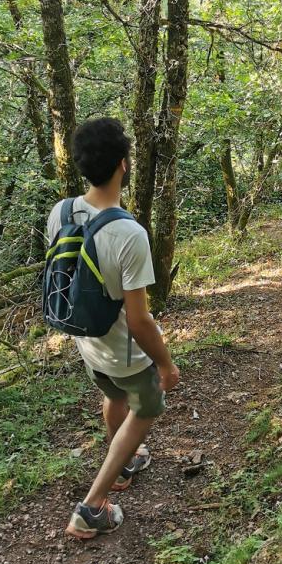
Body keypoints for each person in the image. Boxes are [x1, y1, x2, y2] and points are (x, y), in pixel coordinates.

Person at [46, 117, 179, 539]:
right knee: (147, 407)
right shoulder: (128, 233)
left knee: (112, 394)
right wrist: (166, 365)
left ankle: (122, 465)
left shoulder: (61, 211)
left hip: (86, 340)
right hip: (125, 349)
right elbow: (139, 319)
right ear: (124, 164)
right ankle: (92, 506)